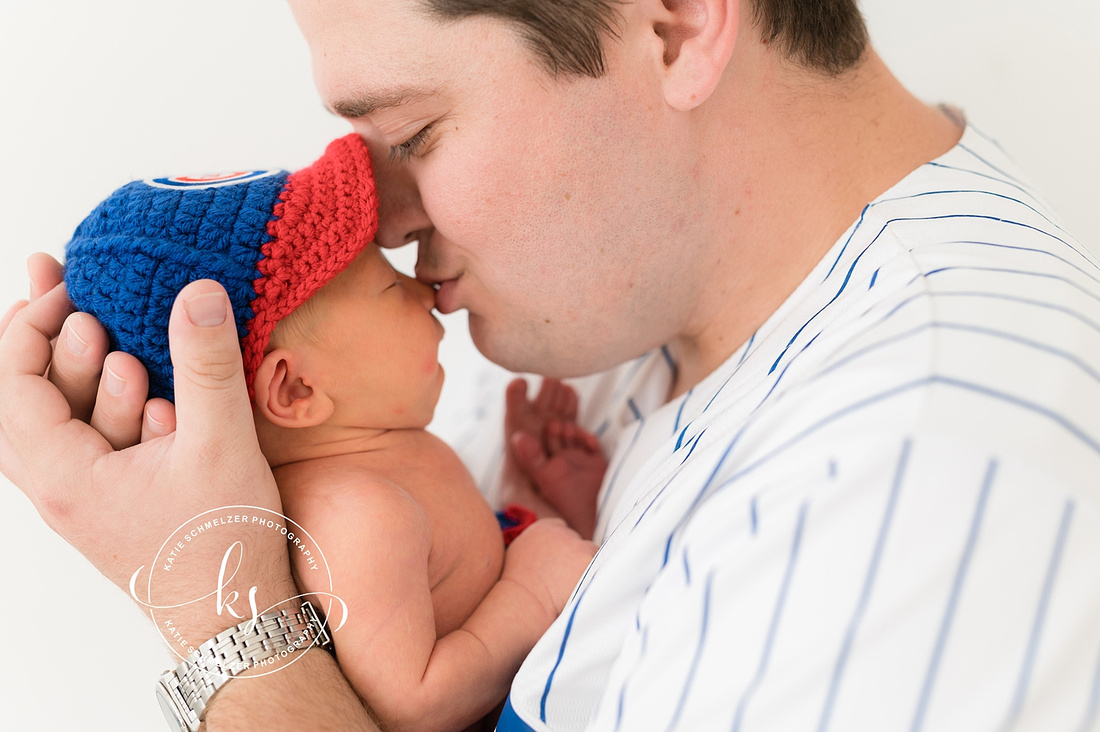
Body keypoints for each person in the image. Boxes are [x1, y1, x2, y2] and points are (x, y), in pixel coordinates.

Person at [3, 0, 1099, 730]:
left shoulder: (934, 482)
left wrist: (219, 616)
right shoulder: (589, 301)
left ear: (672, 26)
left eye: (417, 133)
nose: (382, 219)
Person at [61, 133, 601, 732]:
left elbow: (460, 588)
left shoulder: (379, 467)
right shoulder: (355, 516)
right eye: (391, 287)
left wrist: (539, 508)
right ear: (295, 391)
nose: (426, 291)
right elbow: (414, 702)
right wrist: (534, 589)